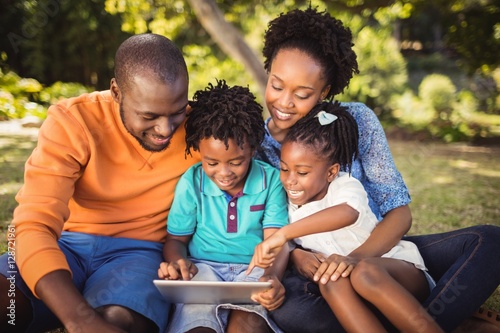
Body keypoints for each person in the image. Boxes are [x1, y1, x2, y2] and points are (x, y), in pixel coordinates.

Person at [253, 6, 500, 333]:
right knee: (295, 313)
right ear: (268, 72)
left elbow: (398, 214)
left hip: (379, 251)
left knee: (489, 242)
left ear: (325, 92)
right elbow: (270, 230)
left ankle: (414, 315)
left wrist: (355, 260)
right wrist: (298, 258)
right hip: (319, 270)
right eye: (277, 85)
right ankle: (449, 319)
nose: (284, 103)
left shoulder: (355, 122)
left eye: (302, 94)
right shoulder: (254, 141)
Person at [0, 33, 200, 333]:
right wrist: (79, 319)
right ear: (116, 92)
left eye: (176, 112)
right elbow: (32, 225)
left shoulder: (203, 129)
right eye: (149, 115)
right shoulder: (74, 121)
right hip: (63, 244)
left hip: (140, 256)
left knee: (117, 321)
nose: (166, 129)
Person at [248, 102, 443, 333]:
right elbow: (285, 248)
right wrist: (272, 276)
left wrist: (283, 234)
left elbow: (348, 213)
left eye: (302, 173)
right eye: (284, 169)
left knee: (364, 272)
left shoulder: (344, 185)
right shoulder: (286, 204)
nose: (290, 180)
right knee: (329, 279)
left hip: (397, 273)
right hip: (350, 287)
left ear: (331, 172)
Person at [157, 80, 289, 333]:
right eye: (212, 163)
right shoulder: (192, 182)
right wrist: (178, 263)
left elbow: (275, 242)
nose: (224, 173)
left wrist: (272, 276)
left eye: (236, 162)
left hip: (253, 269)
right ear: (198, 151)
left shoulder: (271, 180)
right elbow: (176, 240)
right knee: (197, 323)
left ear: (253, 148)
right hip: (202, 268)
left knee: (247, 322)